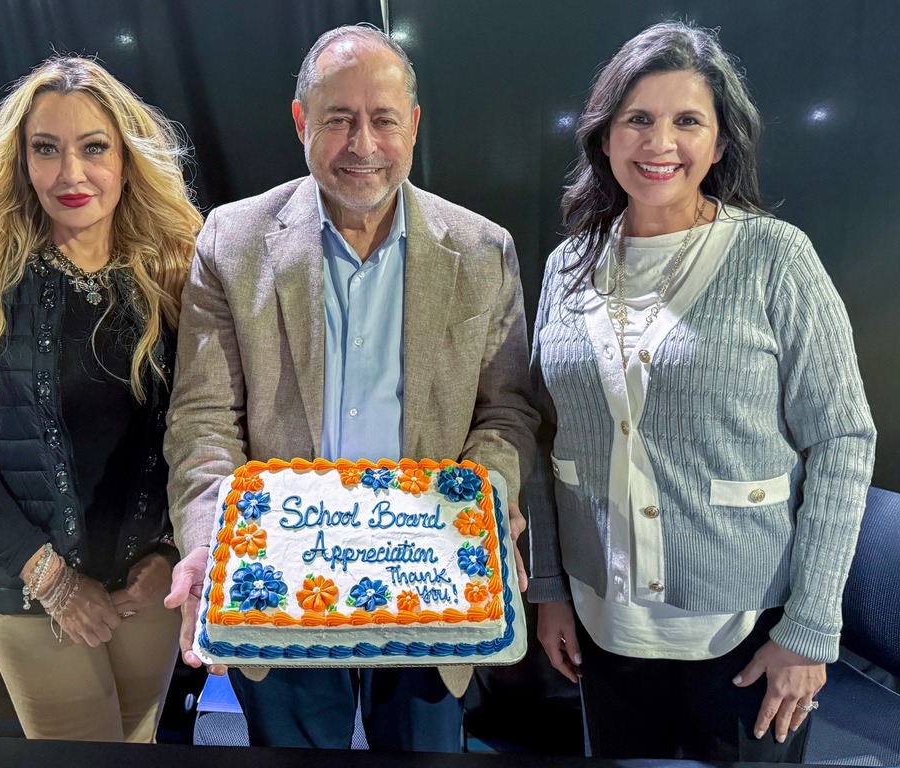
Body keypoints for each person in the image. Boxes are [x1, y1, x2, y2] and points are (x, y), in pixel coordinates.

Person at [163, 23, 538, 752]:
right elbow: (204, 419)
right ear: (302, 121)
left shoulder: (484, 250)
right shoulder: (231, 242)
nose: (362, 144)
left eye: (383, 120)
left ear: (414, 126)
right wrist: (213, 542)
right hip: (279, 587)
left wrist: (484, 507)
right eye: (338, 119)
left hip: (431, 590)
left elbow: (507, 410)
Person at [526, 21, 876, 763]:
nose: (661, 144)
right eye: (639, 120)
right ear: (605, 139)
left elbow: (842, 440)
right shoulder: (566, 267)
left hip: (748, 634)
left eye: (688, 121)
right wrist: (549, 589)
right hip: (602, 625)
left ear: (720, 145)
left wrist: (811, 628)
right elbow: (542, 440)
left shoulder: (775, 256)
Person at [0, 55, 204, 741]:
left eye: (94, 148)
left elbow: (200, 429)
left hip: (147, 582)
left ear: (127, 160)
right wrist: (53, 582)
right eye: (47, 149)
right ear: (21, 162)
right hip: (29, 588)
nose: (71, 175)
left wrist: (166, 551)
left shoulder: (177, 275)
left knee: (136, 746)